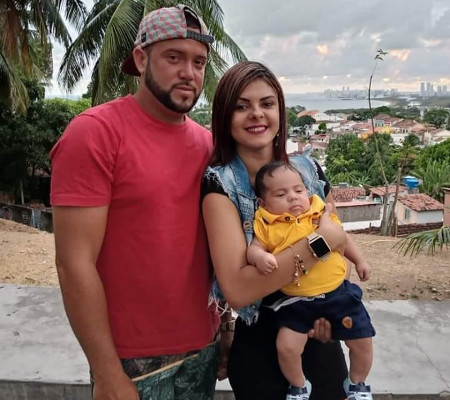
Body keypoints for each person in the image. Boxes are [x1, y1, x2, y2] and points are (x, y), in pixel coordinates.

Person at [50, 5, 227, 400]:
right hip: (131, 363)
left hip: (203, 350)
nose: (189, 72)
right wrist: (107, 373)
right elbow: (73, 264)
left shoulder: (208, 145)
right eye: (174, 58)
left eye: (198, 62)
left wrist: (225, 327)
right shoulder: (95, 134)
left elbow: (216, 252)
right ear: (141, 59)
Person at [201, 60, 370, 400]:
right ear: (224, 116)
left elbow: (341, 253)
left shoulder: (310, 170)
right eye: (241, 106)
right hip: (261, 344)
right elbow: (239, 290)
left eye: (267, 103)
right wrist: (319, 245)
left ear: (280, 111)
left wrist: (326, 302)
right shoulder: (220, 184)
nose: (256, 114)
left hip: (320, 332)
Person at [247, 161, 375, 400]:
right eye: (281, 194)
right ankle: (299, 386)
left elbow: (342, 238)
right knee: (286, 347)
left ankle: (357, 384)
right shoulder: (267, 225)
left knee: (362, 339)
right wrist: (260, 257)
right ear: (263, 203)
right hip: (296, 302)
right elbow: (254, 248)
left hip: (338, 294)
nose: (293, 197)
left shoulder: (318, 214)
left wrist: (360, 261)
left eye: (298, 190)